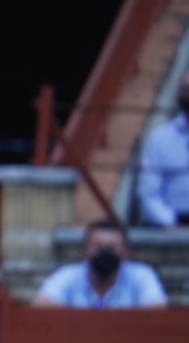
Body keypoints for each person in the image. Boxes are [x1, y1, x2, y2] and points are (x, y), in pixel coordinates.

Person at [32, 219, 167, 309]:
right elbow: (41, 307)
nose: (105, 254)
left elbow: (158, 311)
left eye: (112, 248)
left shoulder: (141, 275)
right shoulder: (67, 275)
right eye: (98, 248)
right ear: (84, 252)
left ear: (126, 253)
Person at [138, 75, 189, 227]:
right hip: (172, 225)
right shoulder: (160, 138)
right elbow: (148, 192)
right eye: (186, 89)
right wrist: (173, 223)